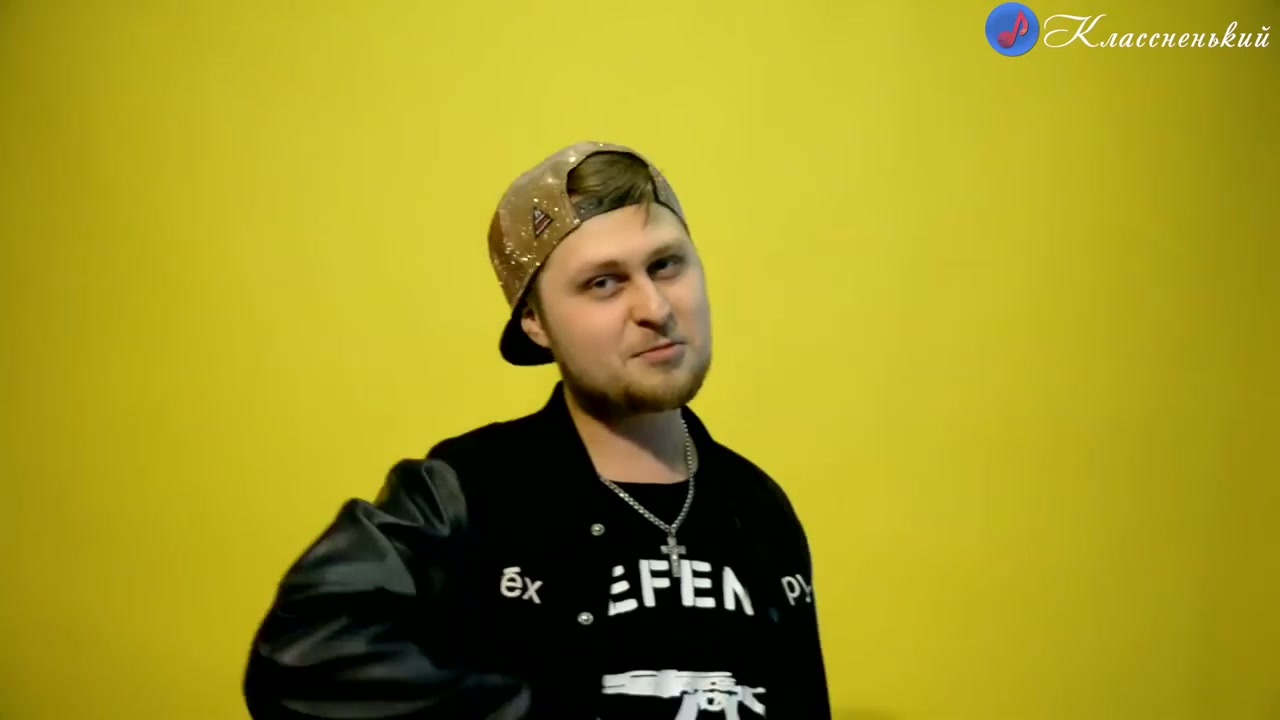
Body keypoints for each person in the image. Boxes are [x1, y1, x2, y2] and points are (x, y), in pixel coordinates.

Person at [243, 141, 831, 720]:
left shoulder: (760, 507)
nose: (654, 307)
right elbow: (299, 656)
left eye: (665, 265)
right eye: (603, 283)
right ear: (535, 322)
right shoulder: (463, 492)